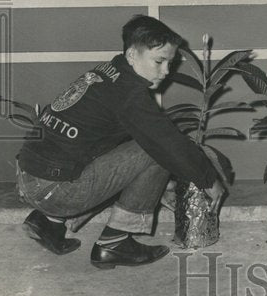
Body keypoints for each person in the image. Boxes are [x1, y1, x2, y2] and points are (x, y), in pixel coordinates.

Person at [15, 16, 226, 269]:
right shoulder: (130, 95)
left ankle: (49, 224)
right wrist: (209, 180)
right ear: (131, 55)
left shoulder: (106, 72)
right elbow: (167, 145)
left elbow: (108, 150)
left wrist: (159, 187)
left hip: (29, 178)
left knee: (138, 144)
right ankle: (114, 242)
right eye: (159, 61)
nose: (166, 71)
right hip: (54, 190)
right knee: (155, 150)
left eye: (170, 63)